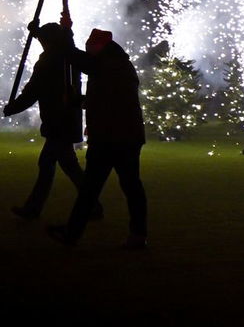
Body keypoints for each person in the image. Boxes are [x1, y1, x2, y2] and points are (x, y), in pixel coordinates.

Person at [50, 29, 146, 249]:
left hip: (112, 137)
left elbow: (79, 60)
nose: (88, 51)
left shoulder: (109, 64)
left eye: (90, 47)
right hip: (121, 136)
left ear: (99, 46)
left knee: (96, 188)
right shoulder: (115, 64)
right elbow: (103, 97)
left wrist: (64, 37)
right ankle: (137, 234)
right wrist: (78, 101)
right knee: (125, 187)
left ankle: (72, 233)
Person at [3, 21, 90, 221]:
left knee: (54, 165)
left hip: (58, 122)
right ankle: (90, 205)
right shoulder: (69, 55)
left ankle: (34, 209)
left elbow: (32, 92)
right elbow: (65, 40)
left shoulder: (49, 60)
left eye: (43, 38)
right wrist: (36, 32)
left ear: (49, 40)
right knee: (62, 166)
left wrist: (12, 108)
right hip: (66, 121)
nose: (41, 41)